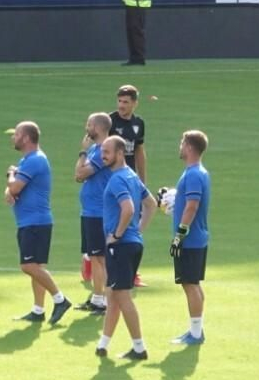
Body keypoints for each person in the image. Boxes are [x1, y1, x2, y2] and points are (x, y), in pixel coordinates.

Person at [5, 120, 72, 324]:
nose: (13, 138)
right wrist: (12, 184)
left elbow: (14, 189)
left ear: (26, 138)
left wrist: (10, 175)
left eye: (16, 134)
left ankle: (60, 299)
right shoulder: (29, 160)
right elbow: (11, 192)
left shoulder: (34, 160)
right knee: (37, 267)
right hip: (32, 221)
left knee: (28, 266)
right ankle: (38, 310)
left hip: (35, 223)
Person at [97, 134, 157, 360]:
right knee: (112, 293)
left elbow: (129, 208)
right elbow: (150, 204)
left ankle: (139, 347)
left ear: (120, 153)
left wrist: (118, 234)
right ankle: (103, 344)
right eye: (102, 152)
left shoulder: (117, 180)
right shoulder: (132, 176)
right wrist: (138, 231)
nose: (103, 156)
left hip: (120, 246)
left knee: (122, 296)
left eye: (107, 152)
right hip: (133, 244)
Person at [165, 129, 210, 347]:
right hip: (198, 237)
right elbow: (188, 202)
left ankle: (195, 333)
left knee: (190, 284)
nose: (180, 146)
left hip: (190, 240)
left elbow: (192, 206)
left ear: (190, 147)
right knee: (193, 284)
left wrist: (179, 236)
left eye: (182, 143)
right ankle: (195, 330)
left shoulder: (192, 174)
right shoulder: (198, 172)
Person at [74, 112, 114, 315]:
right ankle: (98, 298)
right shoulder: (93, 149)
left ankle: (104, 300)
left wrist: (82, 153)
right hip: (89, 211)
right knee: (94, 256)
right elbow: (77, 176)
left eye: (89, 124)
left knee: (100, 258)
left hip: (100, 212)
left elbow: (82, 173)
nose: (86, 127)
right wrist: (84, 153)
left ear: (97, 128)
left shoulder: (103, 151)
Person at [109, 83, 148, 286]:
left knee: (132, 221)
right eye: (119, 101)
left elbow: (140, 151)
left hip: (130, 179)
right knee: (110, 221)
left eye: (126, 102)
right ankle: (93, 261)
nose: (121, 105)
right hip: (113, 180)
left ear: (135, 103)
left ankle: (132, 271)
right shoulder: (110, 121)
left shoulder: (138, 124)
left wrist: (142, 179)